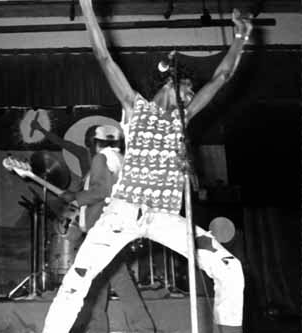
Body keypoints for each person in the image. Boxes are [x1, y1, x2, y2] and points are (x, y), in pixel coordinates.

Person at [41, 2, 252, 333]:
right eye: (188, 89)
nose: (192, 95)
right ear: (171, 85)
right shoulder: (135, 107)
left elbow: (221, 77)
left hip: (166, 218)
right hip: (123, 214)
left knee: (229, 268)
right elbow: (104, 57)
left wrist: (240, 37)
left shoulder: (184, 119)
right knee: (77, 278)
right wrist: (86, 7)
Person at [32, 119, 153, 333]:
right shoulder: (90, 158)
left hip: (108, 230)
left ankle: (141, 328)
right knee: (97, 285)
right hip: (100, 230)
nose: (90, 146)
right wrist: (42, 130)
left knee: (116, 281)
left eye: (92, 142)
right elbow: (65, 146)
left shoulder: (105, 161)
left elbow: (101, 193)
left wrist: (77, 198)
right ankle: (114, 329)